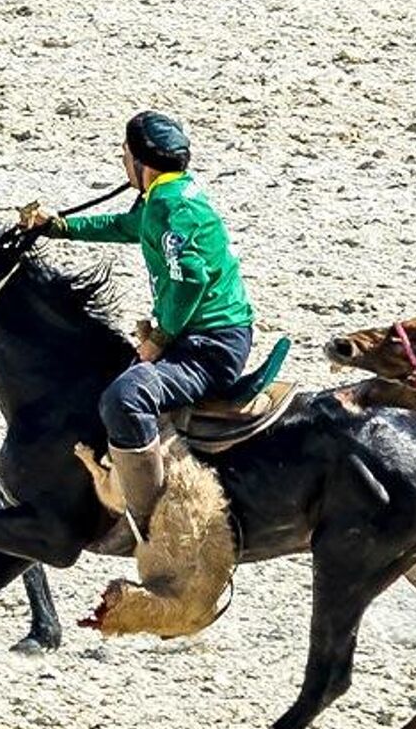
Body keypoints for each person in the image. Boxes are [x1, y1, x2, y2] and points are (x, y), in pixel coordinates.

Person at [20, 112, 254, 538]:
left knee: (125, 397)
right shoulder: (164, 197)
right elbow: (126, 226)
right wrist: (60, 227)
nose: (122, 161)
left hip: (210, 346)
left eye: (125, 154)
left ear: (141, 161)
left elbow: (190, 280)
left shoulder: (169, 206)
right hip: (200, 336)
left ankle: (156, 526)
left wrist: (159, 339)